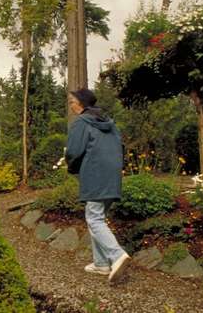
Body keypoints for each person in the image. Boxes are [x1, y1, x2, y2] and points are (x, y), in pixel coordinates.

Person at [65, 88, 131, 283]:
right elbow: (120, 149)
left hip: (95, 174)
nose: (71, 105)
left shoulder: (81, 123)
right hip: (112, 176)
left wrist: (71, 166)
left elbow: (74, 151)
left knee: (94, 219)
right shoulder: (110, 124)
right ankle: (101, 264)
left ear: (82, 103)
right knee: (98, 217)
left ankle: (116, 255)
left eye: (72, 101)